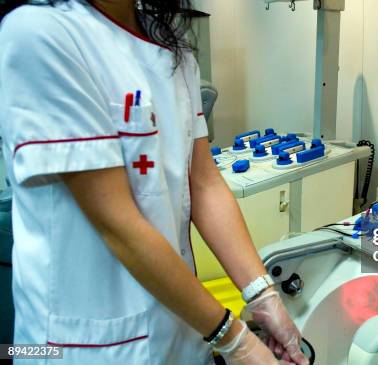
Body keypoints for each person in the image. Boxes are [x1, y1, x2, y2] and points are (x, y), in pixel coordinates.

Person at [0, 0, 308, 364]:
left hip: (184, 331)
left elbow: (204, 184)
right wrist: (235, 338)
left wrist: (263, 296)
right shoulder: (40, 31)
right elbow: (118, 223)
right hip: (84, 347)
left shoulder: (171, 46)